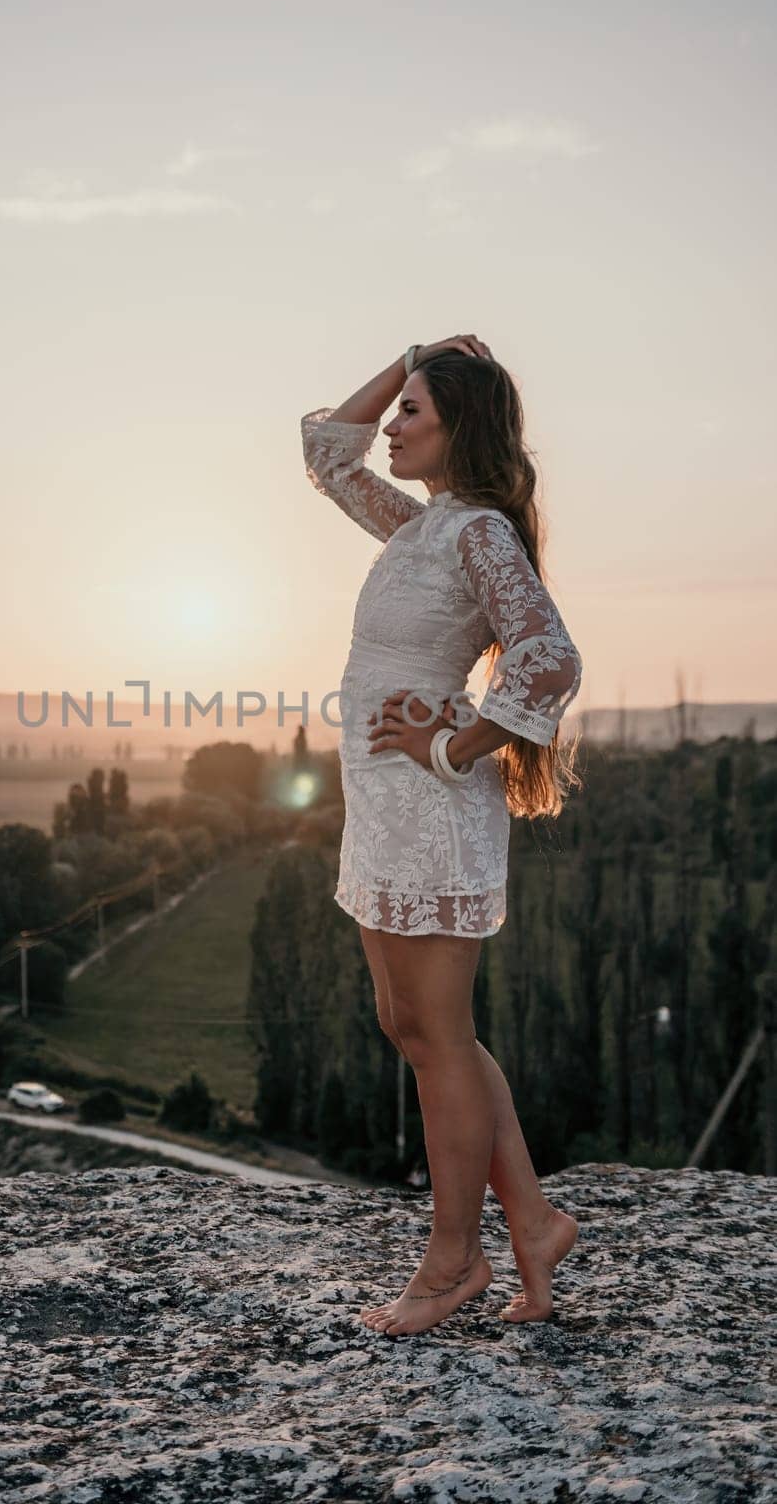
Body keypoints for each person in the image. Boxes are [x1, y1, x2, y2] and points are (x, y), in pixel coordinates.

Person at [301, 336, 584, 1336]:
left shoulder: (476, 535)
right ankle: (536, 1224)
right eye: (398, 407)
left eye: (412, 410)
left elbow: (546, 658)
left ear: (458, 425)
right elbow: (326, 451)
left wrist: (451, 745)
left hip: (429, 806)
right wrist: (407, 355)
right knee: (419, 1030)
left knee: (437, 1038)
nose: (390, 424)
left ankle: (452, 1261)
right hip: (381, 806)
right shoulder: (418, 527)